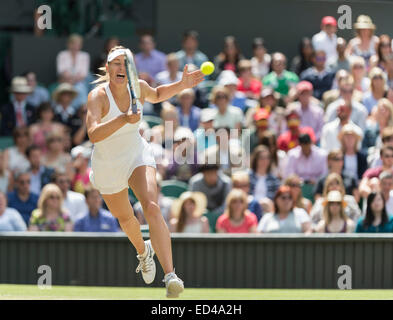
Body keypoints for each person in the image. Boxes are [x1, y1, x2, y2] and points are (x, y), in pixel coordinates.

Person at [86, 46, 204, 297]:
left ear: (131, 69)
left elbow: (159, 93)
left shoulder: (138, 87)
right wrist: (123, 119)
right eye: (115, 63)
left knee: (151, 206)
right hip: (107, 165)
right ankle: (143, 252)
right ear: (108, 69)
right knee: (127, 219)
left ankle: (171, 276)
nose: (120, 68)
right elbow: (93, 134)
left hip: (136, 155)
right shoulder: (98, 96)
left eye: (124, 63)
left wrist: (181, 84)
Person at [56, 34, 90, 109]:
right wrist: (70, 80)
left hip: (79, 82)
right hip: (64, 81)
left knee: (80, 89)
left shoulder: (85, 56)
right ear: (68, 44)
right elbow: (61, 71)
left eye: (77, 44)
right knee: (66, 90)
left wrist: (73, 80)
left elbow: (84, 73)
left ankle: (82, 111)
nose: (75, 46)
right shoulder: (62, 55)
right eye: (73, 44)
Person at [248, 145, 280, 212]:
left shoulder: (274, 179)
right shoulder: (248, 176)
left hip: (267, 209)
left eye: (267, 158)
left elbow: (276, 198)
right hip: (250, 207)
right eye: (261, 158)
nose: (264, 160)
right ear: (256, 159)